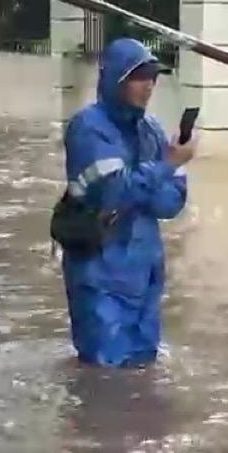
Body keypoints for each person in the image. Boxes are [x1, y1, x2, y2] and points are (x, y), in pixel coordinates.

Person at [61, 37, 196, 368]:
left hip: (145, 275)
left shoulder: (151, 129)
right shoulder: (88, 128)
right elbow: (114, 191)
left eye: (153, 77)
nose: (148, 85)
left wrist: (164, 175)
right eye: (139, 77)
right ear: (115, 79)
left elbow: (171, 202)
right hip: (100, 275)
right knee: (103, 377)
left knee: (144, 377)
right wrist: (166, 166)